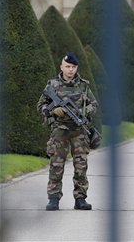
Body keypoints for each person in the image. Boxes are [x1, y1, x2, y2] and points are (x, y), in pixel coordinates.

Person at [37, 52, 98, 211]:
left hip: (79, 132)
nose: (71, 70)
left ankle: (80, 199)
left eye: (73, 67)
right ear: (62, 67)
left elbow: (94, 105)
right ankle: (54, 198)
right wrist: (52, 110)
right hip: (59, 131)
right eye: (68, 66)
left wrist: (84, 112)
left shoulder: (83, 85)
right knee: (56, 165)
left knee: (81, 166)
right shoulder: (52, 85)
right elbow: (41, 106)